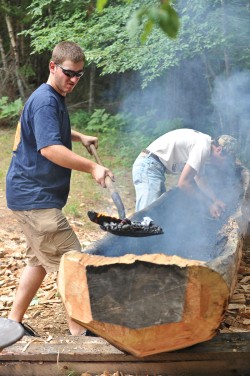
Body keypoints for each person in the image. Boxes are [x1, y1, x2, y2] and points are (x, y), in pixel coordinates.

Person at [6, 41, 114, 337]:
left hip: (29, 195)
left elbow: (49, 130)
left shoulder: (51, 97)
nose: (74, 80)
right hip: (35, 199)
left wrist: (79, 136)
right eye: (69, 73)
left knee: (38, 261)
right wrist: (92, 167)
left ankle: (13, 322)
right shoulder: (45, 100)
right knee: (74, 263)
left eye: (79, 75)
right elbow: (50, 148)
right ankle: (80, 336)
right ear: (53, 67)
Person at [132, 128, 237, 217]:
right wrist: (209, 204)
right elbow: (183, 184)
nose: (224, 165)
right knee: (147, 217)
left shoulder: (204, 144)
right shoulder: (203, 147)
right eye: (225, 161)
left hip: (152, 166)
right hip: (148, 166)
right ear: (219, 150)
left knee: (157, 213)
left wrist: (215, 200)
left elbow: (199, 178)